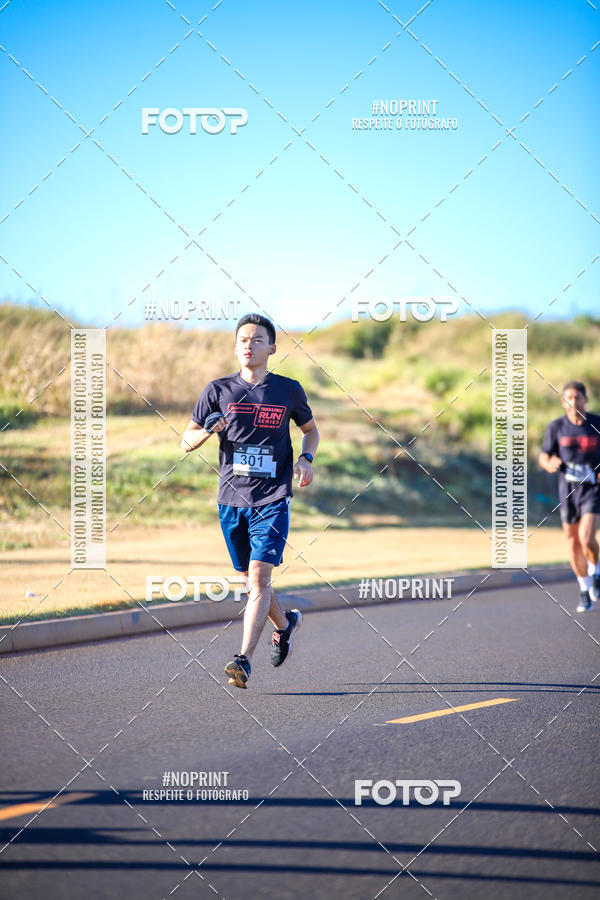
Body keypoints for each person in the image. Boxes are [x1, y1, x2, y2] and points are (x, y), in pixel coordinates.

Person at [181, 313, 320, 687]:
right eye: (242, 339)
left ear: (272, 348)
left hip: (273, 497)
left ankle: (242, 660)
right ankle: (286, 623)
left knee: (260, 578)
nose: (248, 344)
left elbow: (311, 431)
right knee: (250, 582)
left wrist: (306, 459)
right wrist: (209, 431)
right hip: (231, 500)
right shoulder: (218, 391)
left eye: (257, 339)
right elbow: (185, 441)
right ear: (235, 346)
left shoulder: (288, 390)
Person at [539, 381, 600, 612]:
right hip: (568, 491)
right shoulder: (557, 427)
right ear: (563, 401)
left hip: (592, 489)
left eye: (578, 397)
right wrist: (549, 463)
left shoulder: (596, 424)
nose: (573, 402)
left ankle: (596, 571)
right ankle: (584, 589)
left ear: (585, 399)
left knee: (586, 537)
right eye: (569, 398)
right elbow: (544, 456)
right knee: (573, 542)